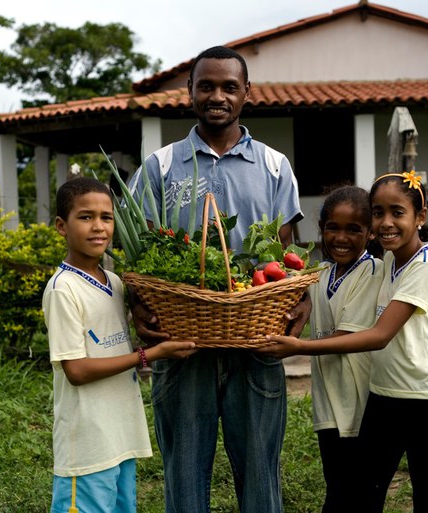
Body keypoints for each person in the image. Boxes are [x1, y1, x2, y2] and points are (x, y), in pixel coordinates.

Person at [127, 46, 306, 513]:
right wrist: (139, 306)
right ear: (189, 92)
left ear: (247, 93)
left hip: (256, 338)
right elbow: (139, 255)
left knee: (261, 474)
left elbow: (284, 256)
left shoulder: (273, 165)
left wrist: (298, 299)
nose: (217, 96)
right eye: (206, 85)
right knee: (184, 476)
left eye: (229, 86)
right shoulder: (160, 166)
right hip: (183, 341)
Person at [259, 171, 428, 513]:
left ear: (420, 217)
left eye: (397, 212)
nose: (386, 222)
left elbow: (380, 336)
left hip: (427, 401)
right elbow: (306, 289)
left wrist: (300, 349)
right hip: (384, 397)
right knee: (361, 495)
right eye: (379, 212)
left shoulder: (425, 266)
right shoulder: (388, 264)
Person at [42, 177, 195, 513]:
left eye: (106, 217)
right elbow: (77, 370)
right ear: (61, 226)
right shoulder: (62, 290)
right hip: (87, 447)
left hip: (120, 437)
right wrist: (149, 355)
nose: (98, 227)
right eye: (85, 217)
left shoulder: (113, 282)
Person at [308, 185, 384, 512]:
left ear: (370, 234)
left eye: (354, 229)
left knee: (359, 494)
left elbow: (341, 338)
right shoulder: (319, 274)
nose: (341, 237)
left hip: (362, 404)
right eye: (332, 228)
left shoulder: (372, 272)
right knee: (336, 484)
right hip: (328, 403)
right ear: (321, 230)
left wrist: (294, 348)